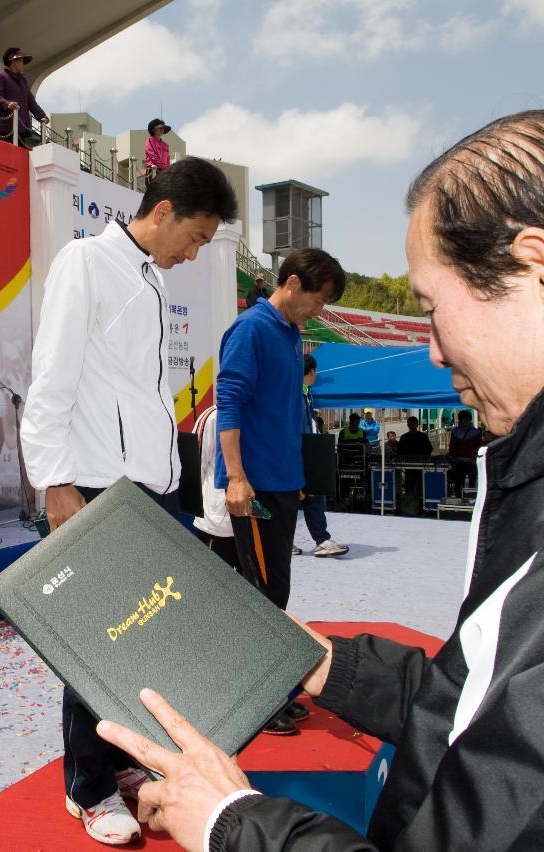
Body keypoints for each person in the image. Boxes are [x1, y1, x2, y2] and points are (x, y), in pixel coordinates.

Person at [94, 109, 544, 851]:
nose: (432, 350)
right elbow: (500, 713)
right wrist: (329, 666)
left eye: (434, 310)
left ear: (542, 273)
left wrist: (229, 822)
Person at [20, 156, 238, 846]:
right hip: (91, 484)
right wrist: (54, 481)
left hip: (146, 485)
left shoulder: (147, 278)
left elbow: (138, 394)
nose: (196, 252)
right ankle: (84, 789)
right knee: (99, 647)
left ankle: (116, 766)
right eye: (197, 237)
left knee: (141, 639)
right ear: (165, 211)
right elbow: (51, 376)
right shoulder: (87, 262)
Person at [215, 247, 346, 734]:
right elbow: (227, 401)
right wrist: (236, 477)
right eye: (319, 299)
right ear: (291, 283)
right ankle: (256, 703)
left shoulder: (292, 335)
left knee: (277, 590)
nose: (320, 311)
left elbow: (286, 413)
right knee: (261, 593)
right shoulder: (251, 329)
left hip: (285, 481)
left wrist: (303, 480)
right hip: (255, 487)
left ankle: (267, 691)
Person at [293, 356, 347, 558]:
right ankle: (286, 541)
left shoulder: (306, 395)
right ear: (311, 371)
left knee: (314, 496)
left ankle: (322, 540)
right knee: (294, 498)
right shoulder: (295, 396)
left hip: (309, 453)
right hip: (298, 454)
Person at [191, 404, 238, 570]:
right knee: (214, 587)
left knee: (252, 590)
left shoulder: (260, 414)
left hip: (253, 524)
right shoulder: (213, 416)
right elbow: (196, 466)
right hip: (217, 525)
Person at [0, 47, 47, 147]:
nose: (22, 64)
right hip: (4, 128)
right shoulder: (1, 76)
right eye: (20, 60)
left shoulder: (23, 81)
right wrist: (7, 104)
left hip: (21, 128)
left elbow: (31, 102)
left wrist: (42, 116)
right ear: (13, 61)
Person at [446, 408, 482, 501]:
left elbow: (478, 447)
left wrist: (474, 459)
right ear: (460, 420)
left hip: (471, 462)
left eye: (467, 419)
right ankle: (459, 499)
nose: (466, 421)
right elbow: (452, 447)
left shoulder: (476, 433)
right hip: (458, 462)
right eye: (464, 419)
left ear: (470, 420)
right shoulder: (455, 432)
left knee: (472, 481)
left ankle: (471, 499)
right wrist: (453, 458)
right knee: (458, 482)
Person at [143, 118, 171, 185]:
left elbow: (168, 160)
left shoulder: (166, 145)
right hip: (153, 170)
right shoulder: (150, 141)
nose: (162, 130)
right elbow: (153, 156)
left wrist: (168, 170)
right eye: (159, 128)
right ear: (153, 129)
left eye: (163, 128)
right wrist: (163, 168)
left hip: (164, 171)